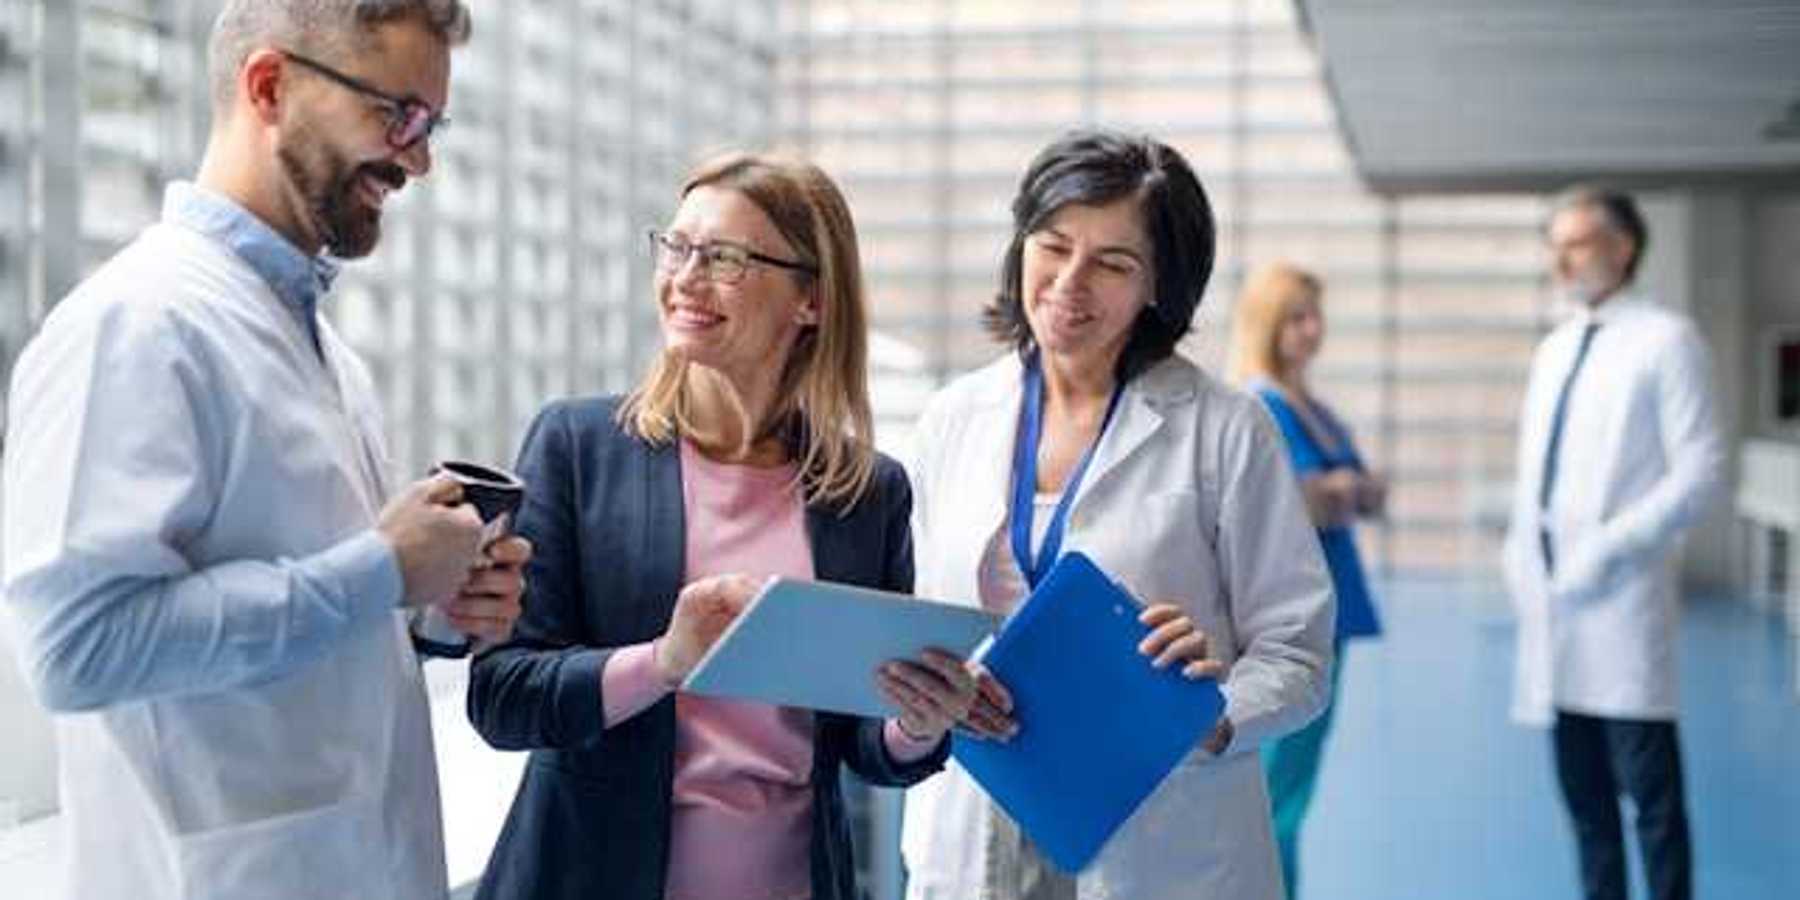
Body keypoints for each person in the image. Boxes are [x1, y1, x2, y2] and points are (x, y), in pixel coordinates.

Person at [0, 2, 528, 899]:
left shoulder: (329, 354)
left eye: (431, 126)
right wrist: (381, 571)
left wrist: (426, 611)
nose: (418, 160)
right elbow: (77, 648)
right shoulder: (133, 326)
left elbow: (303, 624)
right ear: (270, 86)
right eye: (397, 114)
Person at [464, 153, 980, 900]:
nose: (685, 277)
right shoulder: (577, 447)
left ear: (812, 300)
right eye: (676, 247)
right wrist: (662, 663)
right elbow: (503, 698)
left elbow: (862, 744)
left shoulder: (867, 492)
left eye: (725, 258)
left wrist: (919, 722)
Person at [898, 129, 1335, 900]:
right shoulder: (953, 418)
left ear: (1160, 284)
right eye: (1053, 246)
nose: (1070, 282)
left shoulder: (1225, 428)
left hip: (1158, 818)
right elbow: (913, 620)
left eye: (1113, 263)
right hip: (978, 809)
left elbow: (1298, 654)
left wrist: (1210, 714)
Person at [1503, 187, 1723, 900]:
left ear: (1623, 248)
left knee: (1652, 805)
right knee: (1586, 807)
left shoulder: (1667, 340)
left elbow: (1701, 472)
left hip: (1622, 604)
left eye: (1577, 244)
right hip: (1552, 608)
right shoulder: (1556, 347)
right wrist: (1519, 554)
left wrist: (1609, 547)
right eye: (1555, 246)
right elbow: (1537, 471)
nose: (1561, 260)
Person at [1227, 262, 1384, 899]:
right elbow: (1294, 502)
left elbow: (1358, 492)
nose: (1311, 330)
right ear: (1267, 324)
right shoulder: (1259, 405)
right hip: (1289, 614)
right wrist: (1335, 491)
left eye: (1315, 315)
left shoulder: (1314, 409)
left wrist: (1340, 491)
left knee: (1295, 782)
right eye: (1296, 317)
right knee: (1278, 789)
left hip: (1332, 609)